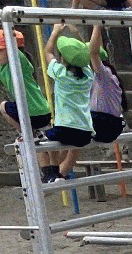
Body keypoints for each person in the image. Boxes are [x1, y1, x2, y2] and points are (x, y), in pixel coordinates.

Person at [42, 28, 103, 182]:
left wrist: (55, 31)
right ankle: (60, 174)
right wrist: (77, 33)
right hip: (85, 131)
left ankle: (52, 173)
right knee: (70, 145)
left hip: (65, 128)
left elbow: (47, 52)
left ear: (63, 58)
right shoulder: (88, 75)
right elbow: (84, 55)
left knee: (42, 142)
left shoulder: (60, 74)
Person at [0, 25, 49, 144]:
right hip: (41, 113)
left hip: (33, 114)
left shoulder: (20, 62)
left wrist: (9, 30)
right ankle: (37, 132)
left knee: (3, 106)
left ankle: (27, 134)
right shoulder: (5, 65)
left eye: (0, 50)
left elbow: (13, 47)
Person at [89, 50, 124, 146]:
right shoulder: (104, 77)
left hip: (103, 123)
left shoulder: (105, 75)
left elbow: (94, 54)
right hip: (109, 123)